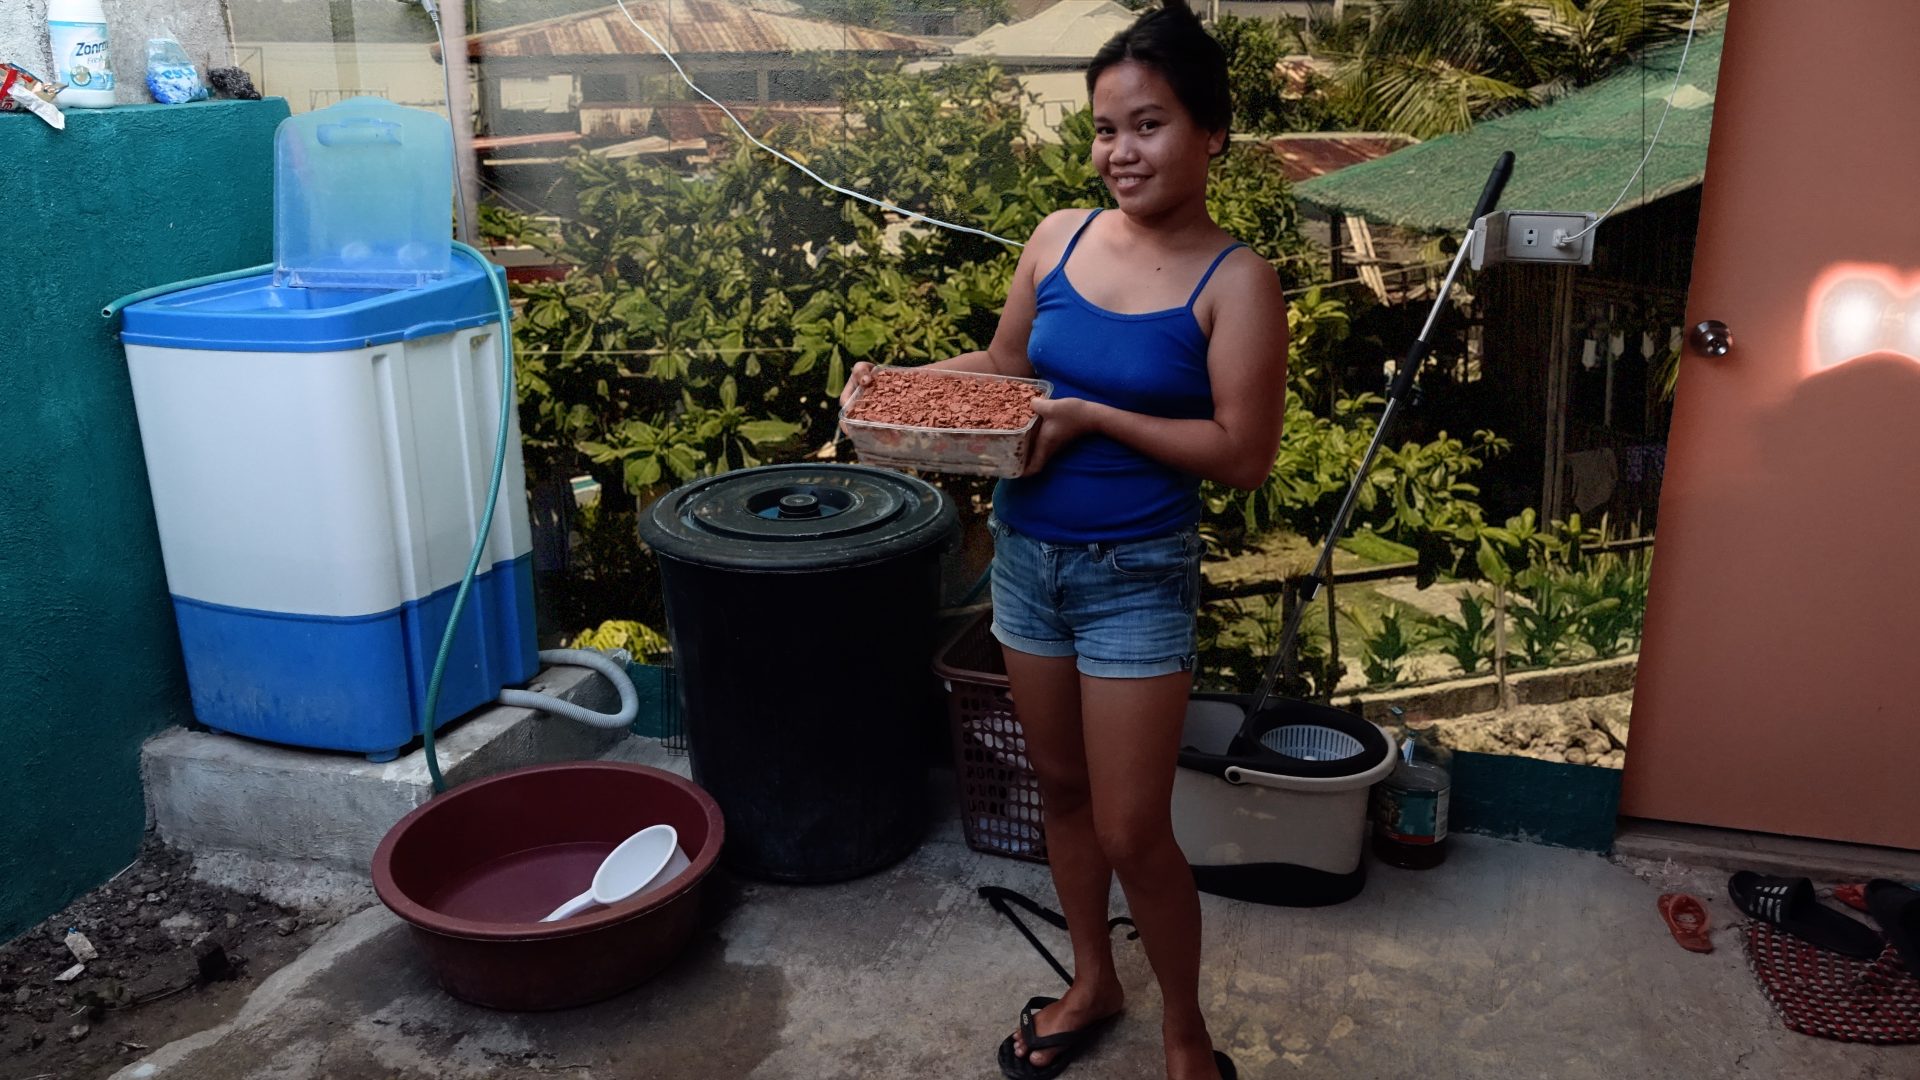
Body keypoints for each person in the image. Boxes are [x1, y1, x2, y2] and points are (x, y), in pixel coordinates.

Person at [842, 3, 1287, 1076]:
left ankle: (1186, 1032)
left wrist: (1090, 417)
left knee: (1136, 828)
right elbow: (1004, 366)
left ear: (1211, 132)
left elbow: (1241, 453)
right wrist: (892, 388)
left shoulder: (1238, 281)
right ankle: (1094, 978)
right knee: (1064, 789)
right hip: (1030, 563)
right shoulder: (1059, 237)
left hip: (1137, 574)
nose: (1120, 153)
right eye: (1104, 129)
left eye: (1149, 125)